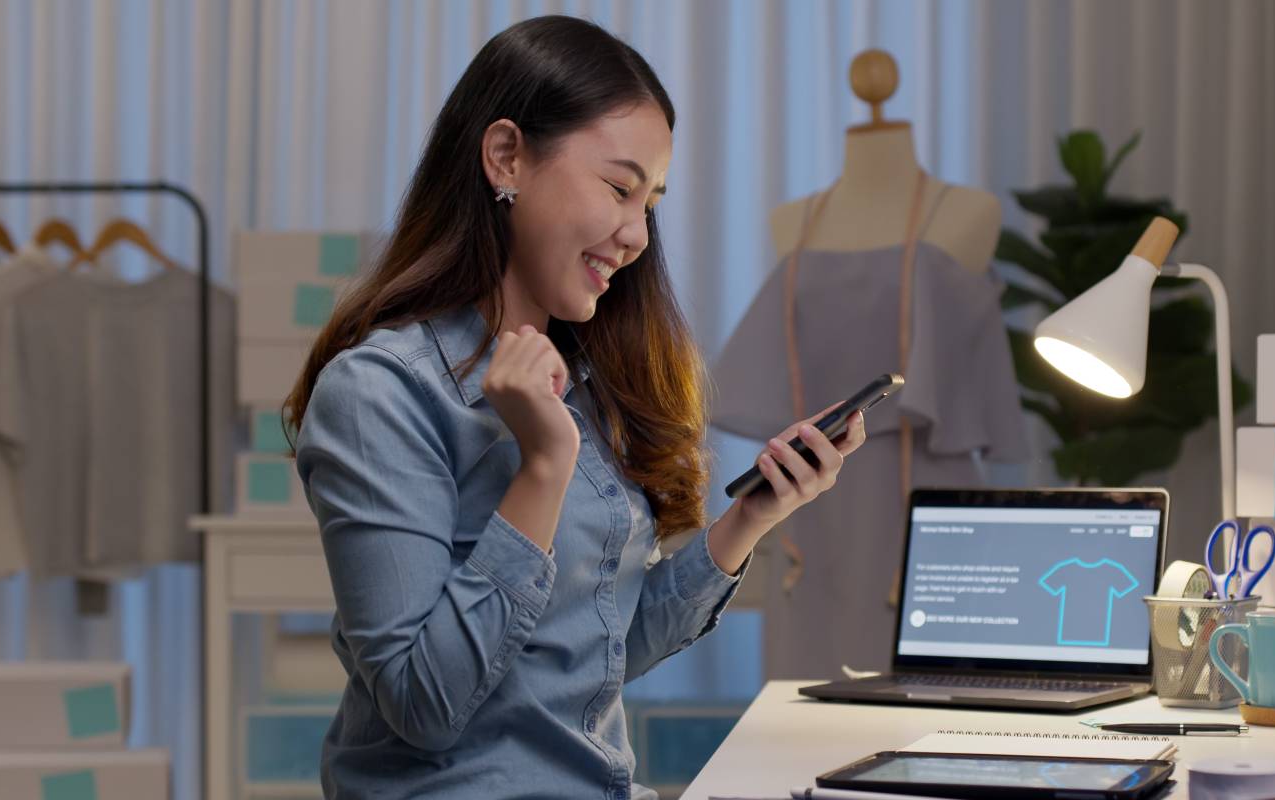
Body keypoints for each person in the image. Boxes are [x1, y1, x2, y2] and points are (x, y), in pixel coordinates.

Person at [283, 15, 865, 800]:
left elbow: (595, 644)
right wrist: (544, 468)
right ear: (506, 157)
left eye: (652, 202)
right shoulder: (379, 394)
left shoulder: (580, 379)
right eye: (620, 188)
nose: (636, 235)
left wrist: (751, 517)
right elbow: (424, 705)